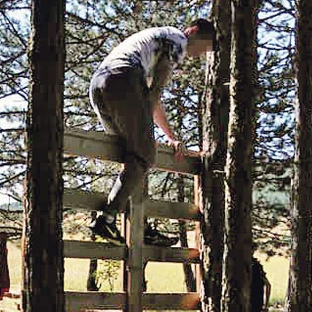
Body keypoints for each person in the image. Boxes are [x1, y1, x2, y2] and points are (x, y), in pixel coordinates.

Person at [88, 18, 216, 245]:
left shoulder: (155, 42)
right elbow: (155, 92)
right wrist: (151, 135)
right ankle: (107, 219)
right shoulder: (178, 41)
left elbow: (151, 100)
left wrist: (169, 137)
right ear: (194, 31)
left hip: (99, 84)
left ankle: (140, 224)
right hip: (122, 79)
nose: (199, 55)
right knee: (145, 154)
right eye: (204, 47)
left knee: (134, 155)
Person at [0, 231, 10, 300]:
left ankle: (0, 295)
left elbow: (1, 259)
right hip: (2, 267)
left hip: (2, 268)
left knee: (1, 279)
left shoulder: (3, 249)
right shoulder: (3, 249)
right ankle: (0, 294)